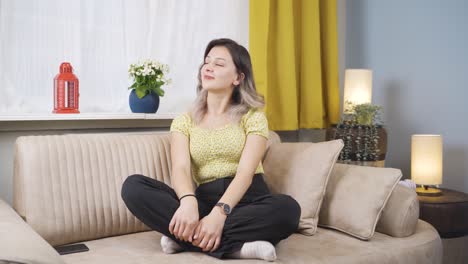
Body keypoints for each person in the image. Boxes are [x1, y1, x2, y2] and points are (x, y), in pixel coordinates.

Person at [121, 38, 301, 261]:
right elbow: (180, 168)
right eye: (207, 62)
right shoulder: (184, 120)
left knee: (288, 210)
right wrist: (188, 202)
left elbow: (245, 173)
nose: (208, 67)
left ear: (238, 77)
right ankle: (238, 248)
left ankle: (184, 239)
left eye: (219, 63)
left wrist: (219, 214)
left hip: (248, 200)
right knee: (134, 187)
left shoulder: (252, 117)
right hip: (202, 202)